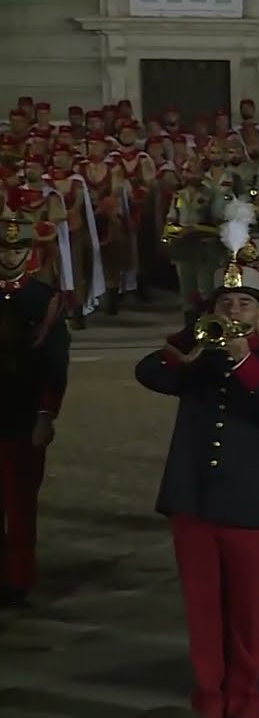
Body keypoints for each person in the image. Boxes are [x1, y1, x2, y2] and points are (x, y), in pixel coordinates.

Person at [135, 218, 259, 718]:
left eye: (245, 305)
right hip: (195, 502)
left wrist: (243, 359)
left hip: (250, 506)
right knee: (204, 615)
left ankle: (245, 699)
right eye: (226, 304)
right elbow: (149, 372)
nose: (234, 312)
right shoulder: (197, 360)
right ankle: (209, 700)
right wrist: (191, 338)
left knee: (247, 618)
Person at [0, 209, 71, 610]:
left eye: (18, 247)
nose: (10, 255)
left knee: (20, 502)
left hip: (22, 414)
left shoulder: (45, 300)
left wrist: (47, 414)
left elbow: (55, 363)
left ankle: (20, 577)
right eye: (5, 247)